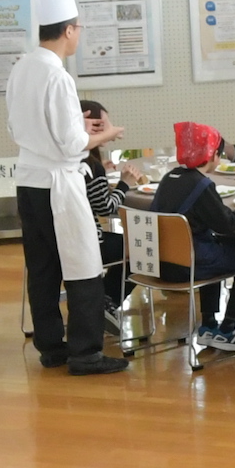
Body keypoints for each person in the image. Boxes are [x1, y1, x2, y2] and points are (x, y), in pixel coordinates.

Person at [9, 0, 127, 374]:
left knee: (42, 269)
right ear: (67, 30)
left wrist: (78, 127)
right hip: (59, 186)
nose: (79, 35)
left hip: (28, 181)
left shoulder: (22, 67)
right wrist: (103, 135)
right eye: (78, 28)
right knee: (82, 265)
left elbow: (25, 127)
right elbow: (71, 145)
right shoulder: (58, 75)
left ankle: (51, 347)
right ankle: (86, 352)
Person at [150, 134, 235, 353]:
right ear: (213, 155)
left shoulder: (169, 177)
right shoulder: (201, 185)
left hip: (160, 263)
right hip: (189, 266)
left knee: (215, 246)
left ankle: (209, 324)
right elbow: (229, 223)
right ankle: (228, 329)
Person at [81, 99, 134, 314]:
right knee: (141, 253)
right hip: (92, 243)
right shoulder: (92, 167)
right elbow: (106, 209)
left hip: (74, 242)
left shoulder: (80, 161)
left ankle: (99, 298)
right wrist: (125, 184)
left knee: (130, 246)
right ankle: (105, 300)